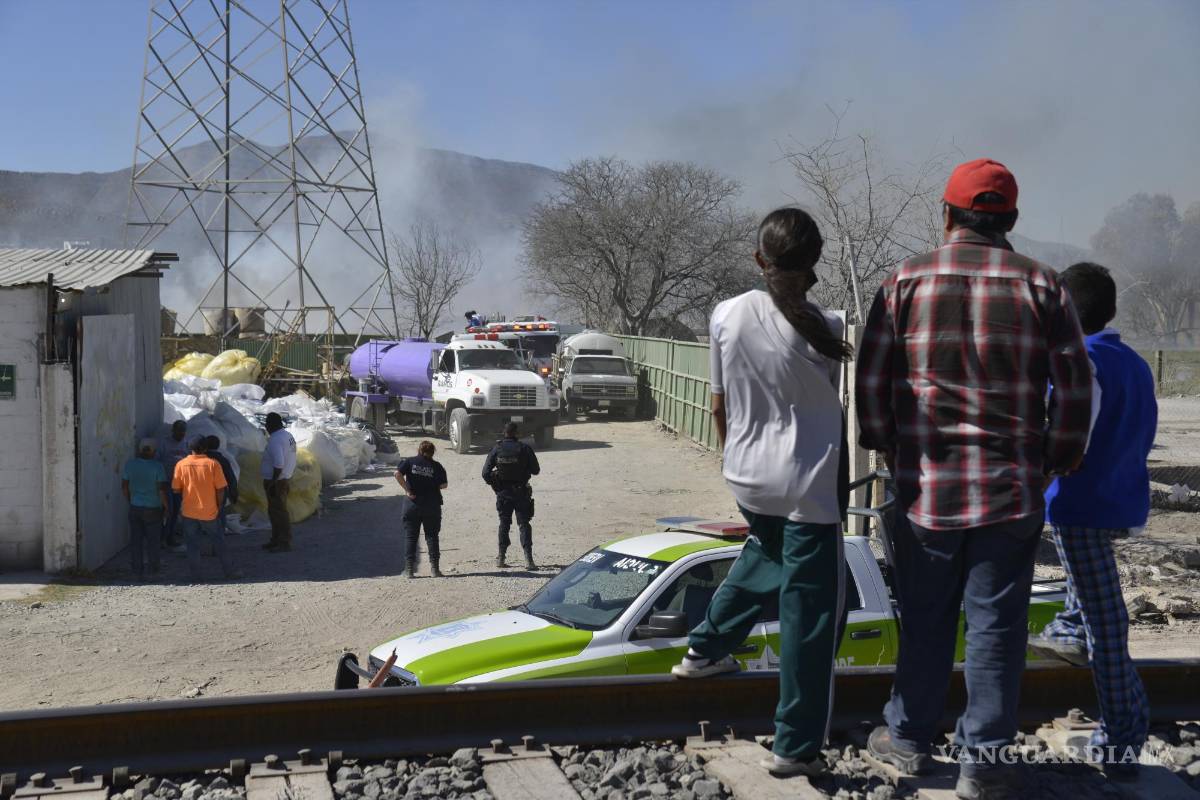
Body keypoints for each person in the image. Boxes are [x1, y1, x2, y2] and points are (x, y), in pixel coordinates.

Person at [856, 158, 1093, 799]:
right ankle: (983, 762)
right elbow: (1075, 388)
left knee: (928, 616)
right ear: (1011, 219)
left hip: (926, 489)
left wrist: (885, 446)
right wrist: (1057, 455)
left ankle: (907, 739)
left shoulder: (903, 281)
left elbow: (872, 382)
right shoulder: (1045, 286)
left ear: (947, 214)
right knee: (996, 625)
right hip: (1010, 488)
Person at [669, 207, 851, 778]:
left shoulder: (725, 314)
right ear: (814, 263)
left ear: (759, 259)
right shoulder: (830, 327)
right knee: (812, 614)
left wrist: (735, 457)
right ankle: (795, 745)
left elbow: (719, 406)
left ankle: (704, 650)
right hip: (808, 486)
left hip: (747, 474)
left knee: (766, 552)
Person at [1027, 262, 1155, 779]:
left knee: (1108, 624)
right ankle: (1070, 623)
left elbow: (1072, 433)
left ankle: (1122, 734)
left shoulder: (1084, 363)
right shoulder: (1133, 361)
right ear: (1112, 310)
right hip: (1121, 500)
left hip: (1080, 503)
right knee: (1092, 597)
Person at [172, 437, 242, 582]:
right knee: (219, 542)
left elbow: (176, 489)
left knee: (192, 545)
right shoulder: (213, 464)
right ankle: (230, 572)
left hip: (189, 512)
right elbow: (221, 489)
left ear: (190, 448)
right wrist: (219, 505)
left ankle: (196, 577)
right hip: (209, 512)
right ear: (205, 448)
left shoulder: (181, 464)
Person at [482, 421, 540, 569]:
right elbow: (536, 470)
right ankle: (528, 560)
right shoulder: (524, 448)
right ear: (517, 433)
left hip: (503, 493)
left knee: (504, 524)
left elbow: (485, 474)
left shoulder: (497, 449)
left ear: (504, 433)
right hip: (521, 492)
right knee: (524, 524)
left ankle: (501, 558)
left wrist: (496, 484)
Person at [395, 440, 449, 578]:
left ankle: (408, 571)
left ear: (419, 450)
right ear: (432, 452)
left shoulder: (409, 462)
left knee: (411, 536)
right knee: (432, 536)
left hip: (412, 503)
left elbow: (397, 474)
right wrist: (432, 483)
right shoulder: (437, 466)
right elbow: (444, 485)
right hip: (431, 505)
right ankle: (435, 570)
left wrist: (407, 489)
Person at [121, 438, 169, 580]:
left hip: (135, 507)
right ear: (153, 451)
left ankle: (137, 570)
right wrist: (167, 507)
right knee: (153, 542)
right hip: (153, 508)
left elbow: (124, 486)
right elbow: (161, 491)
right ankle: (153, 570)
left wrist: (130, 500)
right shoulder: (158, 467)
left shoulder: (130, 464)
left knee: (136, 541)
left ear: (140, 450)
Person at [261, 412, 297, 552]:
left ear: (271, 425)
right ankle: (276, 539)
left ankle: (284, 542)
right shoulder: (287, 436)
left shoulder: (275, 440)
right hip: (284, 478)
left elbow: (279, 464)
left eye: (267, 424)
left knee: (280, 512)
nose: (266, 427)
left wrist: (272, 483)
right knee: (275, 512)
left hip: (277, 481)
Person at [158, 420, 190, 548]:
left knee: (175, 511)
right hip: (166, 483)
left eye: (183, 432)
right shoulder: (164, 443)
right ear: (173, 431)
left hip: (179, 485)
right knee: (167, 511)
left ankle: (169, 538)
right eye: (178, 432)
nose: (181, 435)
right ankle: (161, 538)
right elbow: (157, 461)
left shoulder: (186, 444)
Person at [205, 435, 238, 536]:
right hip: (220, 491)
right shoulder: (223, 460)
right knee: (220, 513)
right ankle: (220, 533)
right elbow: (231, 477)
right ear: (218, 446)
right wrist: (233, 492)